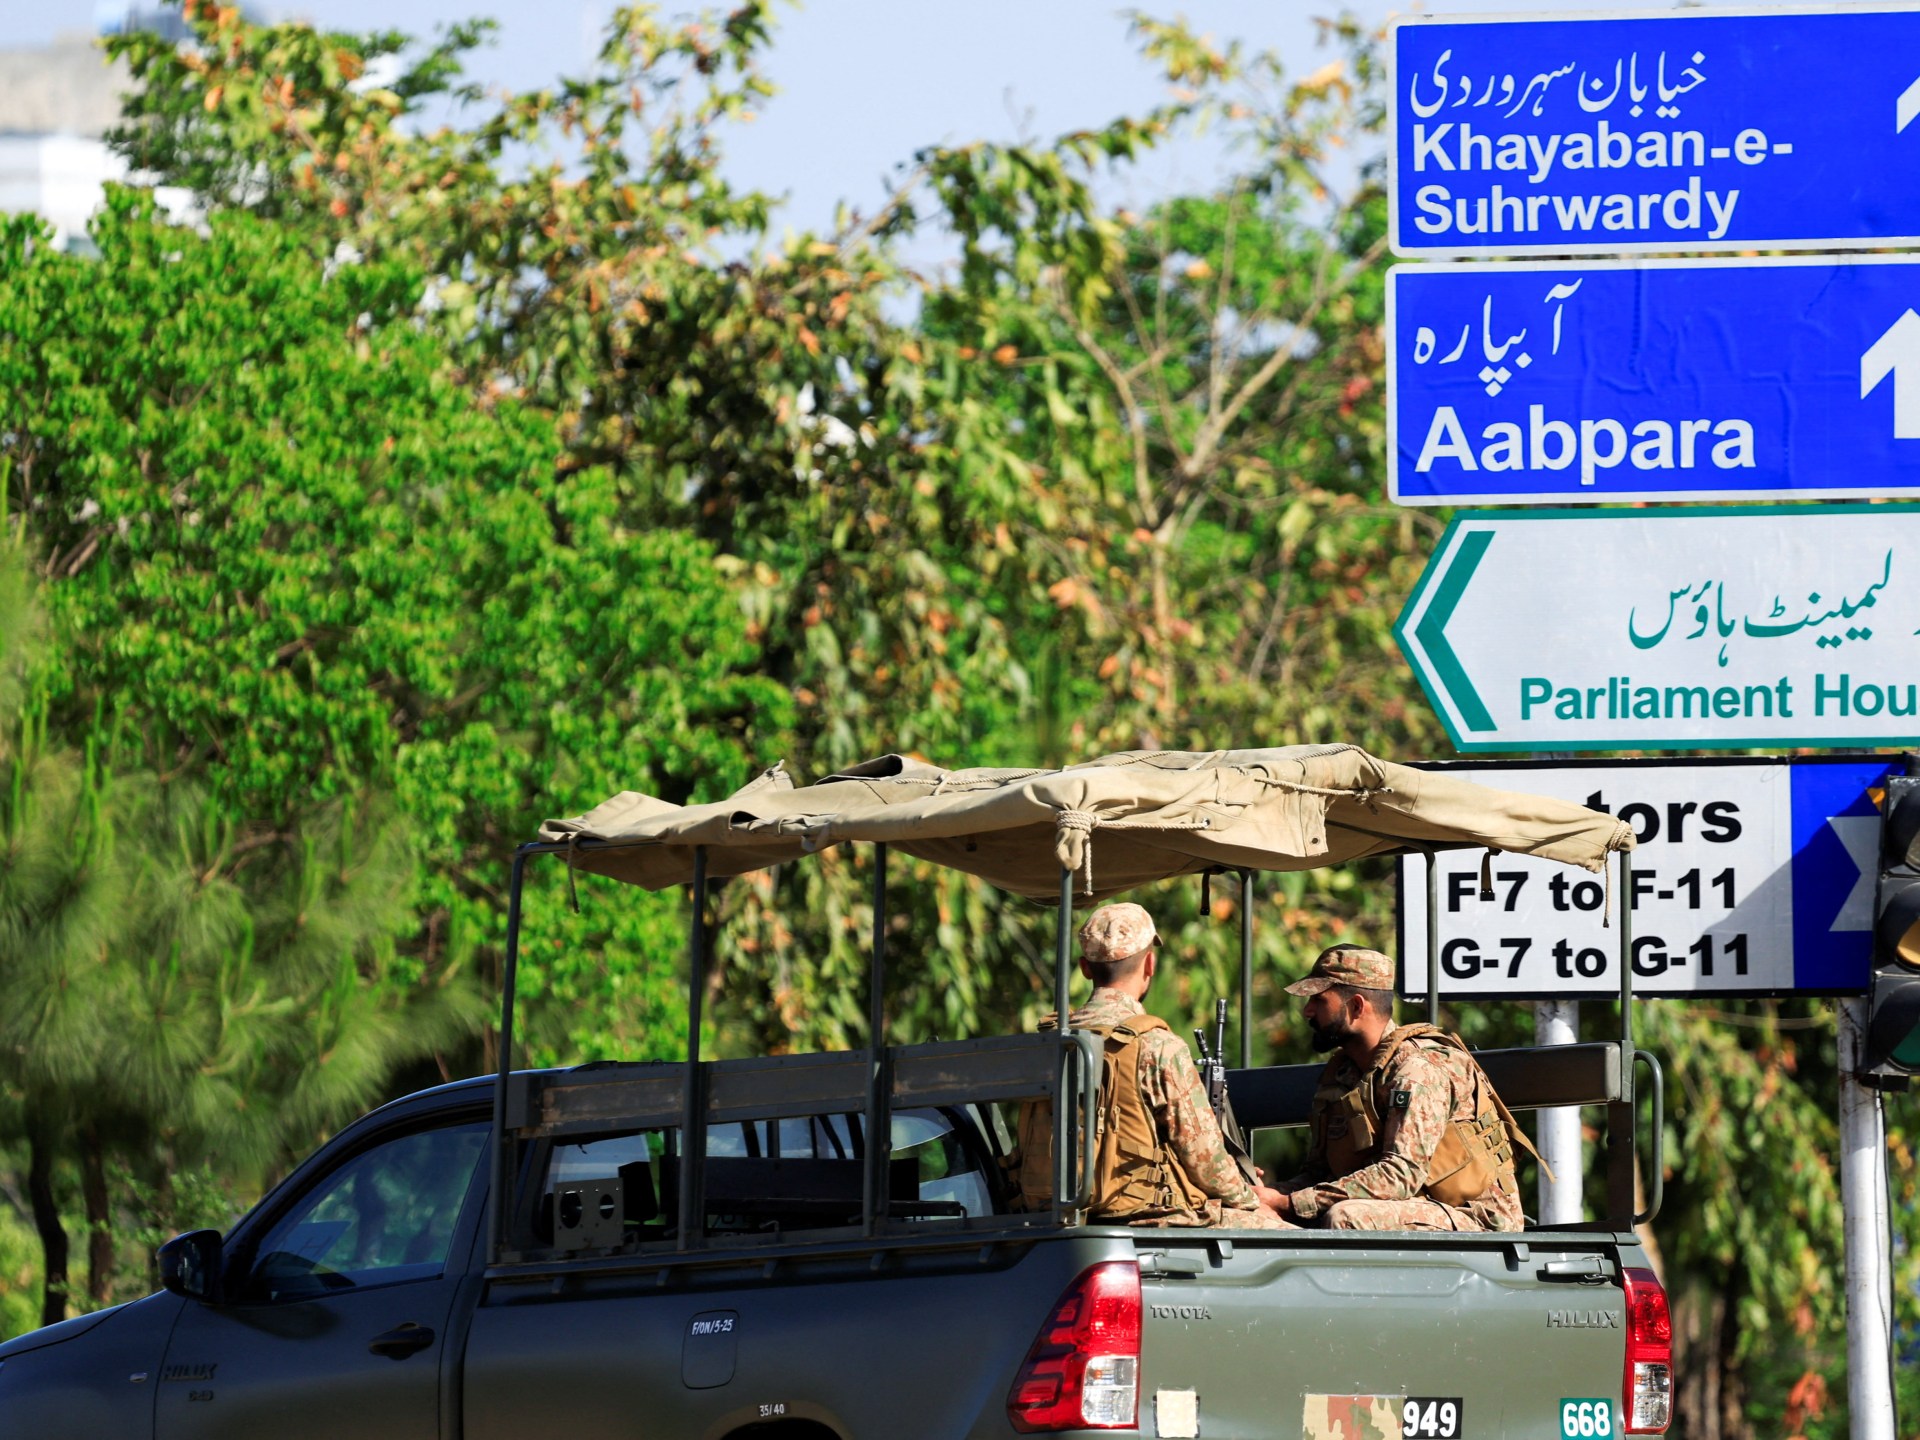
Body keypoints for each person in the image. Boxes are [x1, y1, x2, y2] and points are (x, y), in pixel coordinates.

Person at [1020, 902, 1285, 1230]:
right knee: (1300, 1240)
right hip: (1147, 1217)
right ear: (1150, 964)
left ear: (1085, 968)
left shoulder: (1050, 1042)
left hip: (1051, 1213)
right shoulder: (1157, 1045)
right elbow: (1205, 1159)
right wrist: (1251, 1199)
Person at [1266, 944, 1529, 1232]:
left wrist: (1291, 1203)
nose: (1307, 1011)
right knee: (1251, 1214)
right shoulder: (1344, 1074)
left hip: (1475, 1218)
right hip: (1403, 1207)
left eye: (1318, 1000)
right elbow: (1319, 1175)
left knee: (1348, 1217)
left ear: (1356, 1007)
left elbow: (1401, 1175)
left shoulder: (1417, 1071)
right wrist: (1262, 1194)